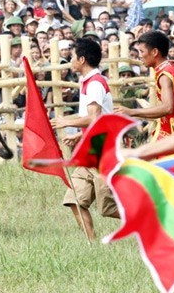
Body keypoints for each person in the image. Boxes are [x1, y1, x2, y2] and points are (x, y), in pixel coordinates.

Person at [51, 38, 118, 240]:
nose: (70, 60)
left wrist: (65, 122)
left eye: (73, 57)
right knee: (74, 200)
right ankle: (93, 244)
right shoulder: (89, 82)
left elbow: (95, 118)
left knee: (107, 207)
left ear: (82, 59)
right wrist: (79, 135)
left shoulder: (95, 84)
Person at [115, 31, 174, 140]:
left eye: (142, 51)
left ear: (155, 52)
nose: (140, 56)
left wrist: (131, 112)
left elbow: (167, 107)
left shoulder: (164, 75)